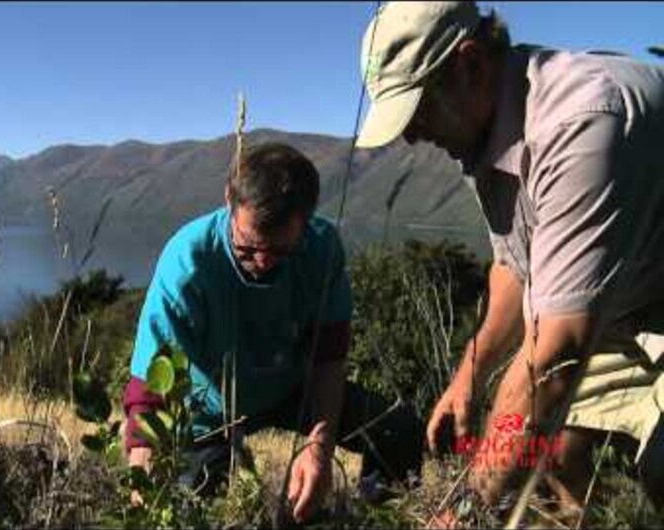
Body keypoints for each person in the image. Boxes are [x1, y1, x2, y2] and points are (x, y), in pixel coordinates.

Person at [355, 0, 664, 521]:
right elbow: (513, 266)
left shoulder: (579, 124)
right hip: (623, 296)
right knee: (550, 454)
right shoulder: (485, 132)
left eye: (419, 109)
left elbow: (553, 357)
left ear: (470, 64)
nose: (411, 134)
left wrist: (470, 507)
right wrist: (470, 374)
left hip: (639, 300)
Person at [122, 142, 424, 523]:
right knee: (192, 499)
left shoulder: (322, 247)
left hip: (292, 390)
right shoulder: (188, 262)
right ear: (229, 200)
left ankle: (373, 521)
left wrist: (319, 446)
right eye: (247, 249)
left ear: (307, 219)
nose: (263, 263)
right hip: (210, 409)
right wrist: (142, 498)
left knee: (399, 428)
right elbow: (150, 393)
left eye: (282, 250)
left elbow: (329, 358)